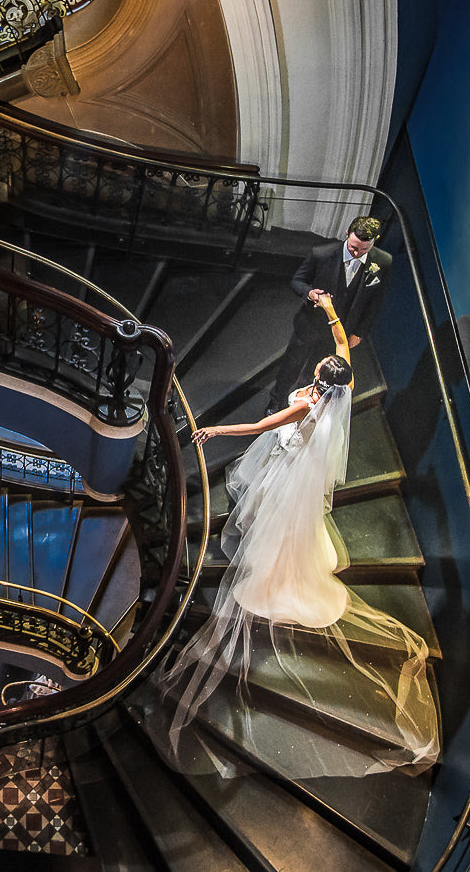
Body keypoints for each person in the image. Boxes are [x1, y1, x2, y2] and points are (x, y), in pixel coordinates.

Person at [155, 295, 439, 779]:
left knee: (275, 523)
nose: (314, 374)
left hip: (288, 464)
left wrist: (215, 430)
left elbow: (263, 425)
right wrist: (331, 308)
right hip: (301, 468)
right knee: (299, 526)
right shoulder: (338, 389)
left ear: (321, 385)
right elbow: (339, 340)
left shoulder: (307, 406)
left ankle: (279, 578)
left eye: (318, 374)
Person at [268, 215, 392, 413]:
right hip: (310, 324)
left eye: (363, 249)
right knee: (292, 365)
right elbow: (297, 281)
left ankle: (303, 406)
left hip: (341, 330)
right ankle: (276, 401)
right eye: (353, 247)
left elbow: (375, 302)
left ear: (373, 242)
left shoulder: (383, 262)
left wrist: (359, 332)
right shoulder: (322, 254)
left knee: (317, 371)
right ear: (346, 235)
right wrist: (310, 293)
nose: (357, 253)